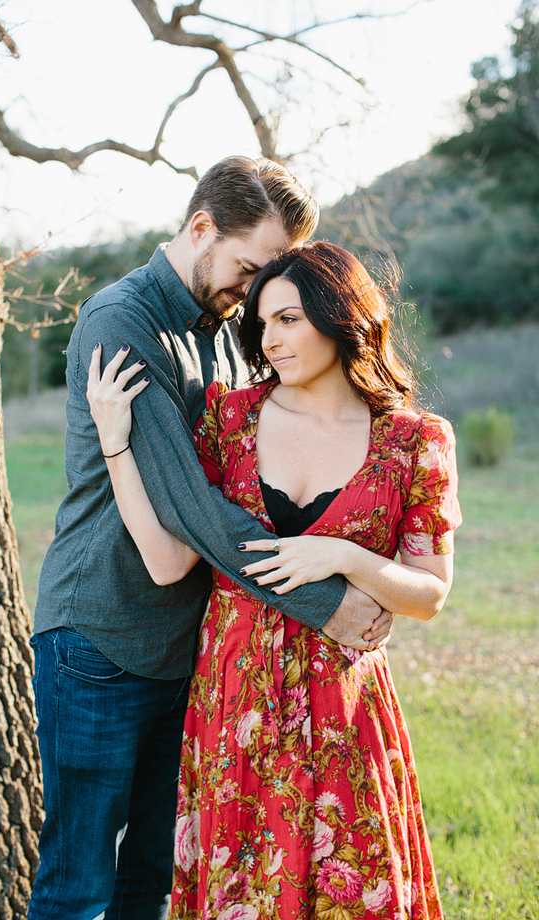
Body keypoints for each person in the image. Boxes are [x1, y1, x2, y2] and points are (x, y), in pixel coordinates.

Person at [27, 156, 395, 920]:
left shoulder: (226, 328)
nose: (250, 291)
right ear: (201, 228)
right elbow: (194, 508)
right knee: (78, 889)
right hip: (103, 636)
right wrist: (324, 601)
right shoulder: (122, 321)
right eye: (247, 267)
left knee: (151, 885)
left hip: (187, 646)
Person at [87, 241, 454, 917]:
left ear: (340, 314)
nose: (269, 338)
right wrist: (116, 445)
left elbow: (429, 593)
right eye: (261, 323)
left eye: (288, 318)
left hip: (347, 709)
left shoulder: (413, 439)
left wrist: (343, 557)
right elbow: (170, 562)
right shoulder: (230, 420)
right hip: (236, 702)